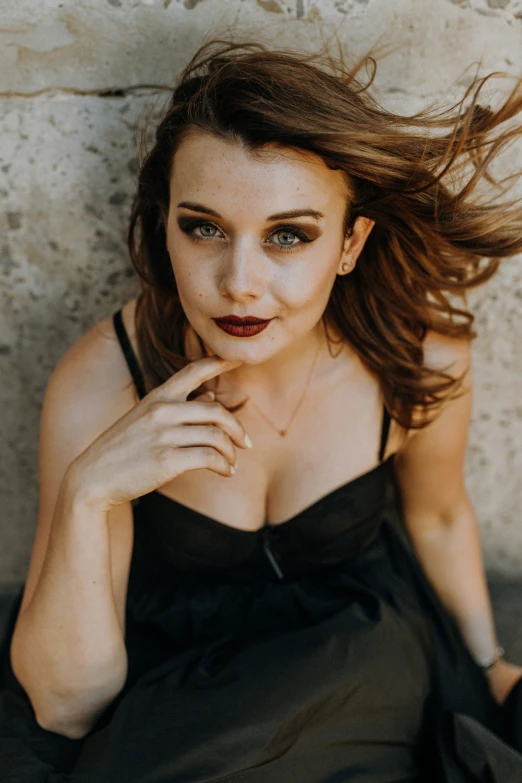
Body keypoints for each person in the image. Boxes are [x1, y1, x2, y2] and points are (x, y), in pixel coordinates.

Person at [1, 37, 522, 783]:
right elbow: (63, 707)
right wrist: (90, 496)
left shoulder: (416, 359)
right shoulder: (104, 383)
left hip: (359, 661)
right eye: (204, 227)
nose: (239, 282)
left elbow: (439, 517)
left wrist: (486, 664)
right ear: (164, 223)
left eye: (288, 235)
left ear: (349, 244)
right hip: (174, 700)